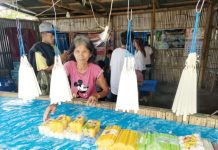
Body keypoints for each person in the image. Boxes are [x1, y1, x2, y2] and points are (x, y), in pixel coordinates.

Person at [43, 35, 109, 121]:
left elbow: (106, 90)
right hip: (72, 105)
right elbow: (59, 86)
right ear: (73, 53)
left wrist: (96, 95)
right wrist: (53, 104)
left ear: (90, 54)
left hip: (90, 106)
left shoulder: (95, 69)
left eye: (84, 51)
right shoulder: (68, 66)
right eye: (77, 51)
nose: (81, 55)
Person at [28, 22, 68, 95]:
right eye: (52, 34)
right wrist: (59, 60)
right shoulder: (38, 51)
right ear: (43, 34)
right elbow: (43, 73)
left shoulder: (54, 48)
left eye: (54, 34)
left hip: (58, 84)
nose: (54, 37)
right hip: (46, 88)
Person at [108, 31, 134, 102]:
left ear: (121, 40)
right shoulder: (129, 55)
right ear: (131, 41)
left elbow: (111, 68)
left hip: (113, 86)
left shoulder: (114, 51)